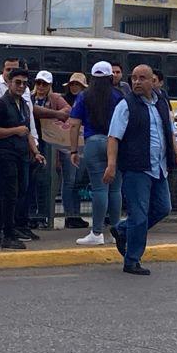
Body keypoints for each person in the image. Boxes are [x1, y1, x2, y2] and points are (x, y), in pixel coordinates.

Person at [105, 65, 177, 275]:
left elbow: (170, 133)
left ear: (153, 81)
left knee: (163, 208)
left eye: (142, 78)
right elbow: (114, 136)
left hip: (159, 167)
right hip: (136, 168)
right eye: (134, 78)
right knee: (139, 216)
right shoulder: (126, 105)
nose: (137, 82)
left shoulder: (161, 104)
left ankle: (123, 230)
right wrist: (111, 165)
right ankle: (132, 260)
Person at [0, 57, 40, 240]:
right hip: (4, 153)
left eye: (24, 83)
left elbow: (27, 131)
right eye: (18, 82)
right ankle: (4, 233)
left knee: (20, 191)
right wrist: (14, 130)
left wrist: (36, 152)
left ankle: (5, 228)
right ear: (9, 83)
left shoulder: (24, 105)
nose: (21, 86)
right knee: (7, 193)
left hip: (21, 154)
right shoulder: (1, 103)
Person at [70, 62, 122, 246]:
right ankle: (117, 230)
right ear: (110, 77)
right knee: (115, 189)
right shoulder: (119, 96)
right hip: (115, 143)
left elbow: (74, 124)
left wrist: (74, 149)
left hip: (93, 142)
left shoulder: (84, 96)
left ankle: (97, 232)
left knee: (99, 189)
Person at [32, 71, 85, 228]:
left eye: (45, 84)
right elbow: (33, 111)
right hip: (35, 142)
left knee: (59, 181)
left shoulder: (55, 98)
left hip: (56, 144)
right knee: (38, 181)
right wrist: (55, 114)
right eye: (39, 83)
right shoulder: (29, 97)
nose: (41, 86)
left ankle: (64, 215)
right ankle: (37, 216)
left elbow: (67, 112)